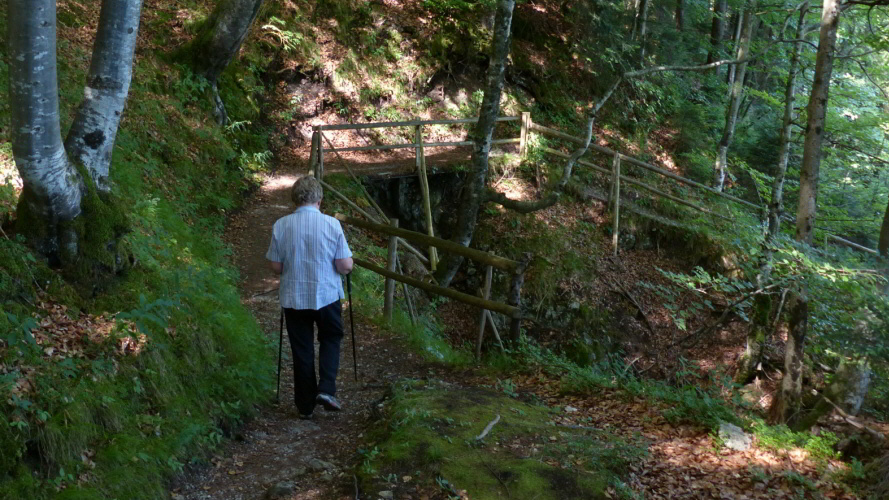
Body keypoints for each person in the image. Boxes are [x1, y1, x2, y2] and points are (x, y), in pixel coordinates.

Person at [266, 176, 353, 419]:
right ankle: (326, 389)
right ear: (319, 199)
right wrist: (346, 269)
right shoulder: (331, 225)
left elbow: (275, 266)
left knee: (301, 348)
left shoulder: (281, 225)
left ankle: (305, 405)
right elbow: (344, 265)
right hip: (326, 294)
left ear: (295, 199)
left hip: (294, 296)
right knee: (331, 337)